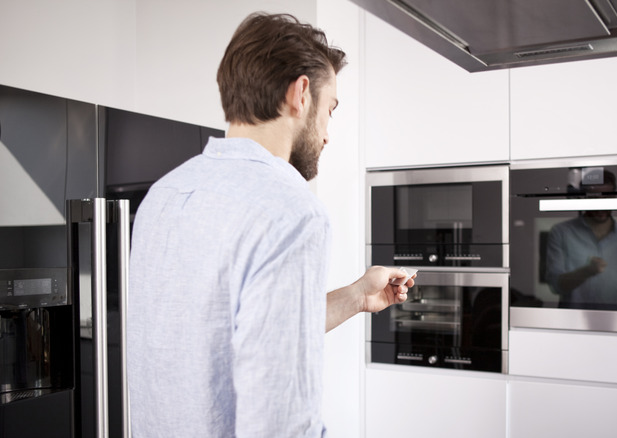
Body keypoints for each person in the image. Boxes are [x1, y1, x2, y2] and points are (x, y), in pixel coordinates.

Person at [126, 12, 415, 438]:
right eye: (329, 110)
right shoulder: (291, 211)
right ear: (301, 93)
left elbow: (238, 335)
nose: (328, 134)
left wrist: (356, 296)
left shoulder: (164, 195)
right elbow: (279, 420)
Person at [544, 170, 617, 311]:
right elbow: (556, 285)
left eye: (607, 196)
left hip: (616, 324)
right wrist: (587, 271)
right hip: (570, 325)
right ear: (584, 198)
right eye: (594, 197)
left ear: (615, 197)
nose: (601, 204)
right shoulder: (561, 232)